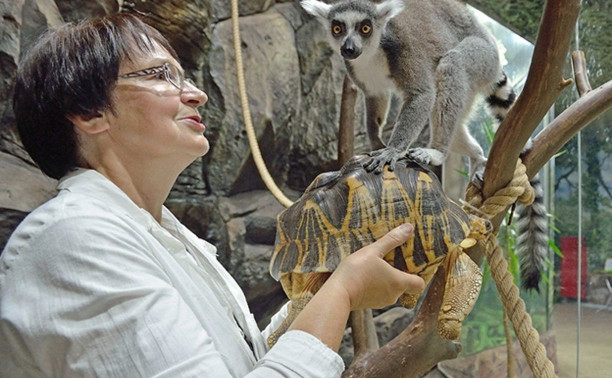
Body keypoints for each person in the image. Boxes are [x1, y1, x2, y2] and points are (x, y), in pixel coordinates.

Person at [0, 13, 425, 377]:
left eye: (182, 75)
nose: (196, 93)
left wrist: (322, 289)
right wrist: (343, 292)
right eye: (160, 74)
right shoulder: (76, 239)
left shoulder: (166, 237)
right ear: (89, 112)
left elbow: (239, 364)